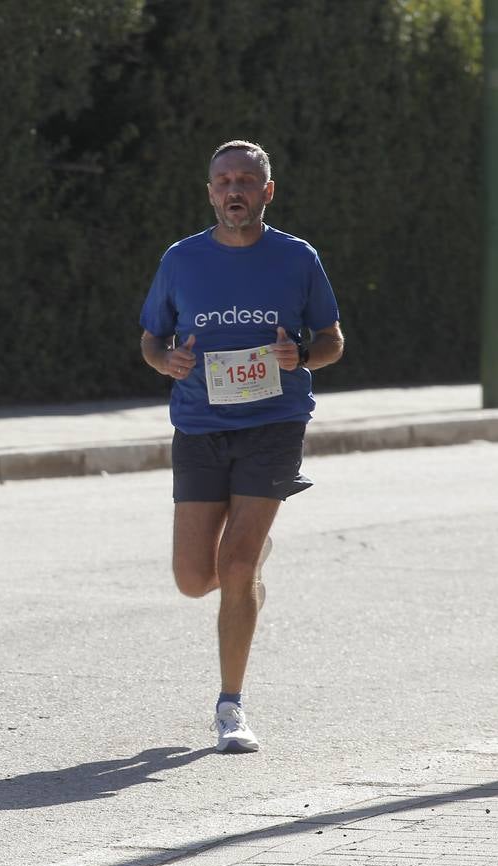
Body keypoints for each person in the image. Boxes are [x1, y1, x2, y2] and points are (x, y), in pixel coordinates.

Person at [138, 140, 344, 753]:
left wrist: (301, 354)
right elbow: (151, 340)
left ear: (266, 192)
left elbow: (332, 339)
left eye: (247, 181)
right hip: (199, 426)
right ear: (210, 192)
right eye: (224, 180)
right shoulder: (181, 260)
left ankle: (231, 707)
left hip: (273, 425)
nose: (235, 190)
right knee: (191, 577)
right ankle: (251, 564)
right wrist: (166, 362)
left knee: (234, 566)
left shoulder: (296, 258)